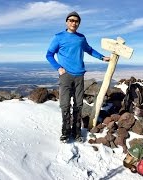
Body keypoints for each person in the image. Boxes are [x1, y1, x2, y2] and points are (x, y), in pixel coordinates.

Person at [46, 11, 110, 143]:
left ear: (78, 23)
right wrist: (58, 68)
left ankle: (76, 132)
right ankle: (65, 132)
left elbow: (89, 50)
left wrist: (102, 57)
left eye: (76, 21)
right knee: (64, 104)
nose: (73, 22)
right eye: (71, 20)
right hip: (66, 75)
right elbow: (49, 54)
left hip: (79, 75)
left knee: (78, 104)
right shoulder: (59, 37)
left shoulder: (81, 38)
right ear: (66, 22)